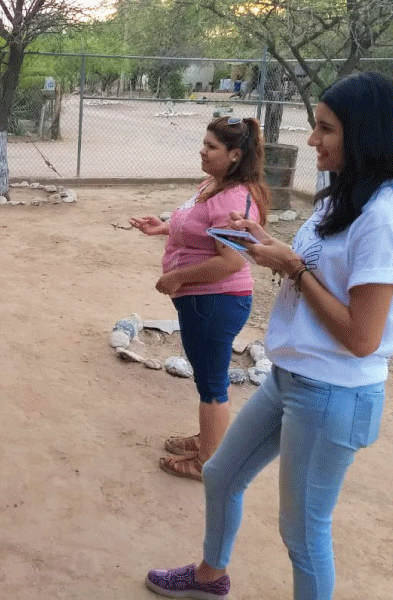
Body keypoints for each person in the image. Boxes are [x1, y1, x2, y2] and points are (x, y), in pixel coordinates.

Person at [145, 72, 393, 600]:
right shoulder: (343, 195)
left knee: (302, 533)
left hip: (333, 394)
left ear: (365, 135)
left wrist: (293, 269)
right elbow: (319, 268)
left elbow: (362, 337)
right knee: (223, 473)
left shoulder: (385, 216)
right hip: (292, 378)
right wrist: (266, 244)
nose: (311, 140)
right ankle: (211, 576)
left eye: (325, 129)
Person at [130, 116, 269, 481]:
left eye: (211, 147)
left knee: (212, 385)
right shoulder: (213, 184)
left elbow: (232, 259)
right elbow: (199, 229)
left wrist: (178, 277)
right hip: (202, 303)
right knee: (207, 378)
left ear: (235, 155)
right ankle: (208, 439)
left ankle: (207, 461)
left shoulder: (233, 199)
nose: (202, 151)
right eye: (204, 143)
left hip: (216, 303)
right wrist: (163, 228)